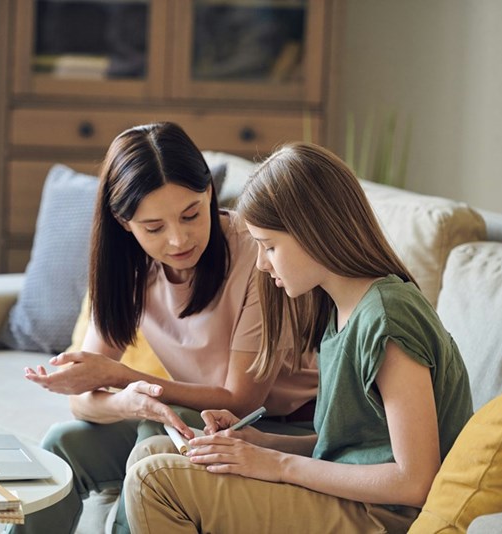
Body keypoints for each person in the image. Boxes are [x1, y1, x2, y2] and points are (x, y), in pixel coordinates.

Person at [123, 142, 473, 533]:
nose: (260, 262)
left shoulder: (388, 317)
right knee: (151, 452)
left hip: (382, 515)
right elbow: (346, 451)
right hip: (350, 496)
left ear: (314, 232)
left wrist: (276, 465)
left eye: (269, 246)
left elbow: (415, 481)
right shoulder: (339, 311)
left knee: (153, 481)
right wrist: (257, 443)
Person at [21, 123, 319, 534]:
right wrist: (129, 401)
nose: (178, 240)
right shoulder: (128, 269)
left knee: (157, 433)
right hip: (196, 420)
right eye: (154, 228)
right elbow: (83, 401)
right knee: (62, 443)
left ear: (210, 194)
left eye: (191, 214)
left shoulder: (258, 256)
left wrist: (122, 376)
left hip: (277, 426)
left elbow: (241, 401)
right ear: (124, 223)